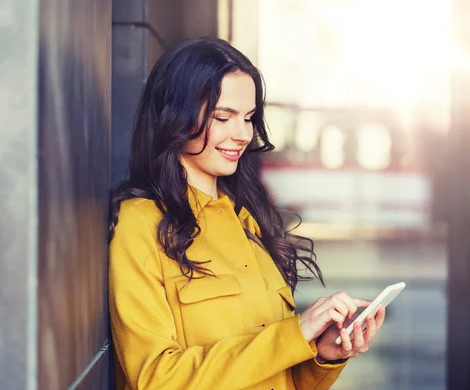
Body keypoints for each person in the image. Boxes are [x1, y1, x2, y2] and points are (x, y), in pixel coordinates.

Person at [108, 37, 385, 390]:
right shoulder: (140, 223)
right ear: (174, 116)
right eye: (223, 117)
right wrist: (293, 333)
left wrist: (322, 355)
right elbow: (155, 380)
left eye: (249, 118)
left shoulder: (247, 221)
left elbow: (278, 379)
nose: (242, 134)